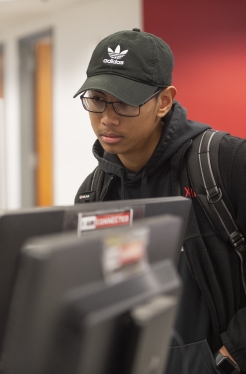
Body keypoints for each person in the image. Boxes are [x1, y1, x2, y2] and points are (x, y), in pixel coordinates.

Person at [74, 28, 246, 374]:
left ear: (164, 101)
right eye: (96, 99)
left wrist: (232, 356)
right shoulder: (92, 194)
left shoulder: (225, 163)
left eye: (124, 102)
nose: (107, 118)